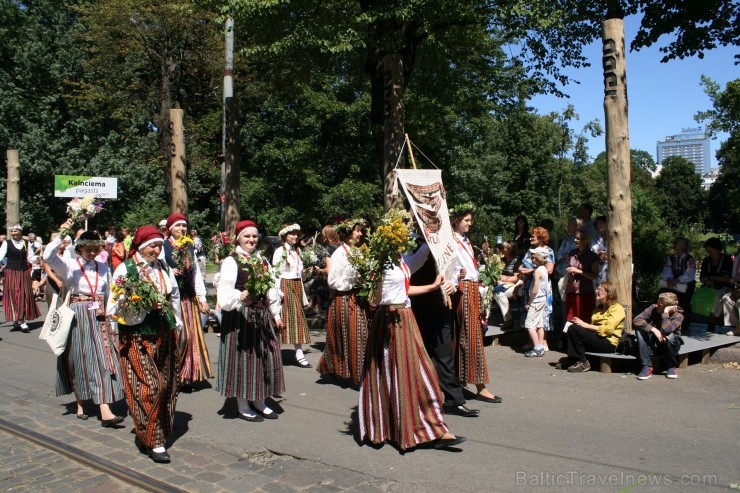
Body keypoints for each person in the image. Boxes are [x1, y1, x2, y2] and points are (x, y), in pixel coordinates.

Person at [359, 247, 465, 450]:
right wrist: (373, 279)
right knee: (396, 375)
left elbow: (405, 286)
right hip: (390, 318)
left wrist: (433, 286)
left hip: (406, 317)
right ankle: (394, 429)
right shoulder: (380, 260)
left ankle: (432, 429)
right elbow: (374, 301)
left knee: (414, 374)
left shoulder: (399, 259)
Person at [107, 225, 183, 463]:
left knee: (168, 385)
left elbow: (175, 298)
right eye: (153, 245)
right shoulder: (126, 269)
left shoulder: (163, 267)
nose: (157, 250)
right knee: (150, 387)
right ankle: (154, 440)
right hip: (138, 336)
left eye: (160, 245)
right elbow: (113, 308)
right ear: (141, 246)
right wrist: (143, 307)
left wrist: (178, 325)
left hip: (164, 334)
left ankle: (147, 429)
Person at [44, 222, 125, 426]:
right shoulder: (70, 265)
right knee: (80, 359)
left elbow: (109, 294)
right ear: (79, 248)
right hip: (78, 316)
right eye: (87, 248)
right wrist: (62, 233)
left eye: (95, 249)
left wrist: (111, 318)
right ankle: (81, 400)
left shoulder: (104, 267)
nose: (92, 252)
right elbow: (48, 257)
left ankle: (104, 407)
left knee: (105, 359)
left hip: (99, 315)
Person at [217, 220, 285, 422]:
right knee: (244, 361)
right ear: (239, 238)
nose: (251, 240)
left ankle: (259, 400)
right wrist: (239, 296)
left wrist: (276, 314)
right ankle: (243, 404)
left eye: (254, 236)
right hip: (241, 317)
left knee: (265, 358)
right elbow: (223, 294)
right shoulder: (231, 261)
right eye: (247, 236)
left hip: (262, 316)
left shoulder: (262, 260)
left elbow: (271, 290)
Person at [407, 228, 480, 417]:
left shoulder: (442, 241)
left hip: (438, 305)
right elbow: (408, 269)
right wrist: (427, 246)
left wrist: (453, 283)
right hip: (415, 306)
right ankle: (415, 401)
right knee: (416, 355)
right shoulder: (407, 240)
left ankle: (454, 400)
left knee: (444, 353)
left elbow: (451, 270)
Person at [450, 205, 500, 403]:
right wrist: (457, 275)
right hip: (462, 288)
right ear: (456, 220)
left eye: (470, 220)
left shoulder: (465, 240)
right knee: (470, 336)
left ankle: (458, 379)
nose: (470, 224)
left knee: (467, 334)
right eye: (466, 220)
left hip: (471, 287)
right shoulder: (452, 240)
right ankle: (479, 385)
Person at [162, 213, 212, 391]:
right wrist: (169, 270)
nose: (181, 229)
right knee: (175, 337)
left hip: (188, 299)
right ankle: (171, 375)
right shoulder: (162, 246)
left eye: (184, 226)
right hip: (171, 300)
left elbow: (196, 274)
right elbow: (156, 268)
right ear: (170, 228)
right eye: (178, 226)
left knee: (191, 338)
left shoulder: (189, 246)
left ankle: (186, 375)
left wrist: (202, 298)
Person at [317, 219, 369, 386]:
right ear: (347, 233)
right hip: (343, 299)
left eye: (361, 231)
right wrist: (352, 281)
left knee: (360, 335)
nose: (360, 234)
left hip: (358, 298)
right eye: (357, 230)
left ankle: (359, 373)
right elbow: (332, 281)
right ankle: (348, 372)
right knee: (347, 336)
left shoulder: (358, 251)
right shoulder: (339, 253)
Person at [557, 281, 625, 373]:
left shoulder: (617, 308)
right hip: (597, 338)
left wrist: (585, 325)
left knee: (574, 329)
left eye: (600, 289)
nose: (596, 291)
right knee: (571, 327)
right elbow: (592, 327)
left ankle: (582, 362)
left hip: (608, 343)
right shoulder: (598, 309)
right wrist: (581, 325)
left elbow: (608, 330)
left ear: (608, 293)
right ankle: (573, 358)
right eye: (597, 289)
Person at [272, 223, 312, 367]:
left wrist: (308, 270)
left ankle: (297, 352)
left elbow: (300, 274)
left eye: (296, 234)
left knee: (296, 318)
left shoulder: (297, 252)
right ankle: (296, 354)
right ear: (284, 236)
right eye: (292, 234)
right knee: (289, 317)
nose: (295, 236)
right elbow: (276, 273)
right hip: (286, 285)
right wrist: (278, 291)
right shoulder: (279, 251)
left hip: (296, 285)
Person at [517, 227, 555, 345]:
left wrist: (531, 271)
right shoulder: (530, 250)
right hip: (528, 284)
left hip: (540, 287)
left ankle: (543, 342)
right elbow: (521, 266)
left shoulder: (548, 251)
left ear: (541, 237)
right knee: (530, 314)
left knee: (542, 314)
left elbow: (549, 270)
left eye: (533, 236)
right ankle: (532, 341)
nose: (530, 238)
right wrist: (521, 270)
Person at [633, 292, 684, 380]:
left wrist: (665, 313)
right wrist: (653, 329)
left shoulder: (678, 316)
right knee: (639, 329)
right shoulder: (653, 308)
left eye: (660, 304)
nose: (657, 305)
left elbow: (667, 330)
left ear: (669, 308)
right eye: (658, 302)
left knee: (670, 335)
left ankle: (671, 366)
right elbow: (636, 320)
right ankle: (646, 366)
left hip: (671, 346)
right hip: (656, 343)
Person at [0, 224, 41, 332]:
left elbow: (30, 257)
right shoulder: (6, 243)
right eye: (12, 231)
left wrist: (37, 258)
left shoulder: (26, 243)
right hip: (11, 271)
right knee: (14, 295)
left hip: (24, 271)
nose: (13, 233)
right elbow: (0, 256)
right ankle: (20, 321)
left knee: (24, 295)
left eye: (15, 231)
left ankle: (19, 320)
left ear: (20, 232)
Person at [658, 236, 696, 330]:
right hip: (671, 283)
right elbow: (666, 270)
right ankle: (662, 320)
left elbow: (690, 274)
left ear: (685, 246)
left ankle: (683, 323)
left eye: (681, 244)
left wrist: (678, 280)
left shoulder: (690, 259)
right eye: (677, 243)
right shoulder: (670, 258)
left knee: (683, 302)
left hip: (685, 284)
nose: (678, 246)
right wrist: (670, 279)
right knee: (661, 296)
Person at [564, 229, 600, 323]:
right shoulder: (572, 253)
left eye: (578, 238)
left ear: (586, 240)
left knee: (583, 318)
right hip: (571, 290)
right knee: (570, 318)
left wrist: (579, 271)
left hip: (585, 292)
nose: (575, 240)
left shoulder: (592, 256)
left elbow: (595, 276)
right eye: (575, 238)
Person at [700, 237, 734, 333]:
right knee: (710, 295)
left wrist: (711, 278)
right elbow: (702, 277)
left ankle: (712, 322)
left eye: (712, 250)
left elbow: (726, 279)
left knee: (718, 295)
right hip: (710, 287)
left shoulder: (726, 260)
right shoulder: (706, 260)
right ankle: (714, 320)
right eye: (708, 251)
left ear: (718, 249)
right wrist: (706, 280)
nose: (710, 253)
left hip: (725, 287)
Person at [523, 248, 551, 358]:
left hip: (536, 300)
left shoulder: (538, 271)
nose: (532, 259)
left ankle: (537, 347)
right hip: (542, 299)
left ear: (539, 257)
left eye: (534, 257)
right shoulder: (543, 269)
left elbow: (535, 289)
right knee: (539, 324)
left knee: (529, 325)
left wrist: (529, 302)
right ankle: (540, 346)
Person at [492, 241, 521, 329]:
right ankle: (508, 319)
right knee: (497, 293)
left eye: (505, 248)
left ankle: (508, 320)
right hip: (501, 285)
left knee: (498, 293)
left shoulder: (517, 261)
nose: (503, 249)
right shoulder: (501, 261)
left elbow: (516, 278)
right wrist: (501, 277)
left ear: (510, 250)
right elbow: (495, 274)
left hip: (513, 286)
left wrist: (506, 279)